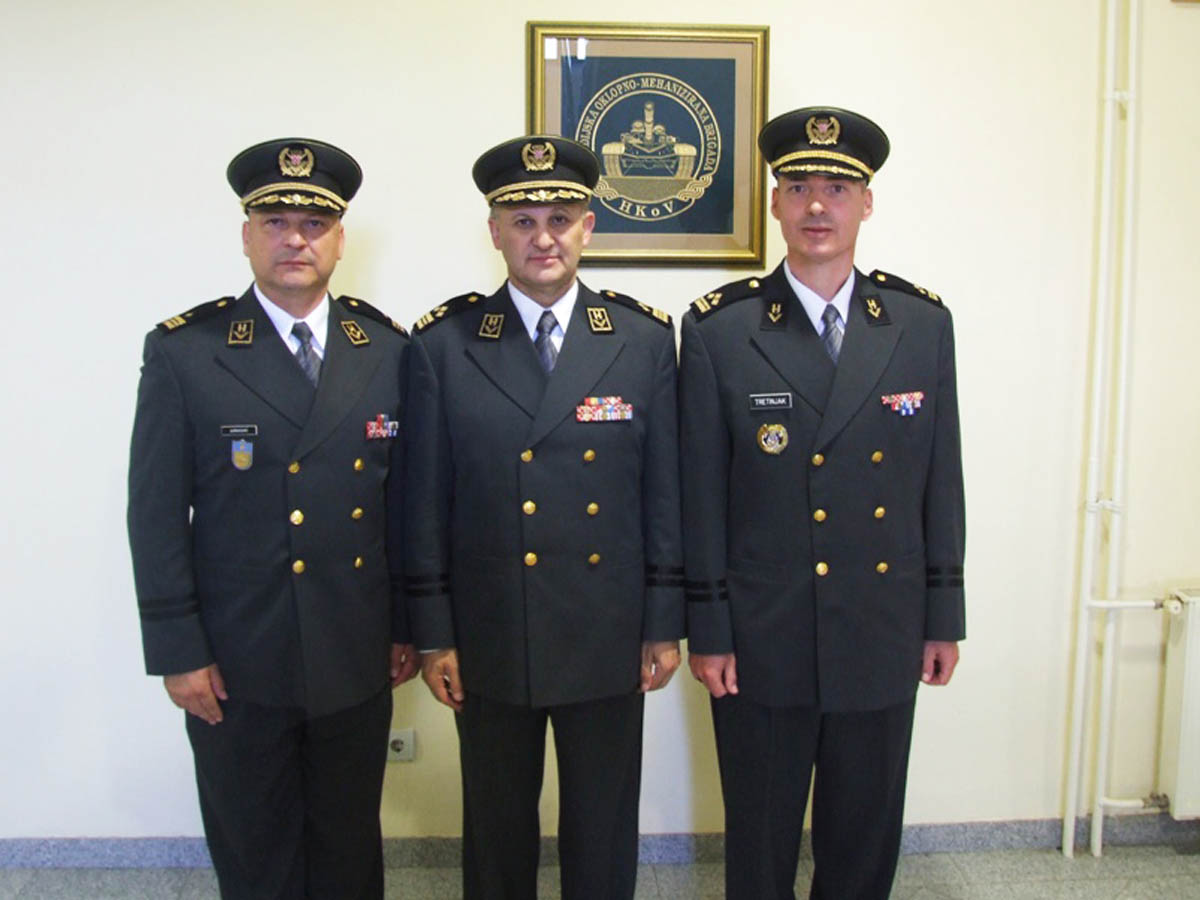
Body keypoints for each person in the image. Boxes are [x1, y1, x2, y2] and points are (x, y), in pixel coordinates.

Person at [679, 106, 966, 899]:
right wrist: (710, 629)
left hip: (883, 623)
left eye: (837, 189)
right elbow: (701, 497)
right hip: (763, 634)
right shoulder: (720, 330)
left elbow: (941, 480)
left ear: (866, 204)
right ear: (774, 202)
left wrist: (943, 615)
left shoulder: (920, 324)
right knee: (761, 838)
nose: (816, 205)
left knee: (864, 839)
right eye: (798, 186)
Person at [127, 137, 416, 900]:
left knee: (350, 847)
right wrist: (178, 649)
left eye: (314, 224)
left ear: (340, 240)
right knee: (257, 854)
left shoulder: (386, 349)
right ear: (247, 235)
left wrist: (405, 625)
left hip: (354, 647)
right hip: (237, 657)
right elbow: (155, 513)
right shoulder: (188, 353)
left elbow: (403, 506)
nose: (296, 239)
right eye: (276, 222)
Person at [402, 135, 684, 900]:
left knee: (603, 825)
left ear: (588, 226)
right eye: (523, 221)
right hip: (491, 629)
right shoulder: (445, 345)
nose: (543, 237)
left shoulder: (642, 340)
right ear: (494, 231)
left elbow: (664, 495)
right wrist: (435, 634)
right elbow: (424, 505)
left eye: (560, 218)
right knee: (496, 828)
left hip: (607, 628)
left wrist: (663, 622)